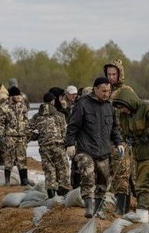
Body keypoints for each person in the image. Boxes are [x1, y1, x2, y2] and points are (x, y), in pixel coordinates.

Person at [65, 77, 124, 218]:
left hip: (103, 151)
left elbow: (114, 128)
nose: (106, 94)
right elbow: (73, 126)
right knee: (88, 175)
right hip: (85, 150)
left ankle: (98, 209)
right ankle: (89, 206)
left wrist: (119, 143)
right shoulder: (82, 104)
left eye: (108, 91)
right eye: (103, 91)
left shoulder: (109, 106)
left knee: (104, 181)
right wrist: (70, 144)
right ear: (95, 89)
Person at [112, 89, 149, 223]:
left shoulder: (148, 108)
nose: (122, 110)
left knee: (144, 185)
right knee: (140, 186)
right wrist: (128, 138)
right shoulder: (123, 116)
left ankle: (142, 217)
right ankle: (148, 218)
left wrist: (148, 133)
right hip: (138, 157)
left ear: (129, 102)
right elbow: (122, 131)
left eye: (123, 107)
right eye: (120, 108)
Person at [103, 58, 137, 216]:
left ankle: (122, 209)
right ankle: (116, 205)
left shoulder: (126, 91)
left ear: (119, 74)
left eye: (113, 74)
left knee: (122, 172)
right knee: (108, 173)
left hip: (122, 138)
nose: (111, 77)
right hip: (105, 139)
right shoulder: (103, 90)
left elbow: (136, 112)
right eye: (108, 74)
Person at [29, 92, 71, 198]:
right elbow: (65, 131)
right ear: (53, 101)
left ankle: (51, 195)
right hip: (58, 146)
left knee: (49, 170)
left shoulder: (36, 116)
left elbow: (26, 129)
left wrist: (36, 136)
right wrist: (66, 143)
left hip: (44, 147)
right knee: (63, 169)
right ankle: (63, 194)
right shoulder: (59, 115)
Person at [0, 85, 30, 186]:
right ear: (11, 96)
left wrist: (27, 132)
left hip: (21, 136)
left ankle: (24, 181)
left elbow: (25, 119)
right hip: (10, 136)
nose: (19, 97)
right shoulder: (4, 107)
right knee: (9, 158)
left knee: (22, 158)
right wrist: (1, 136)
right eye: (17, 95)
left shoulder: (21, 106)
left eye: (19, 95)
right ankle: (7, 181)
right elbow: (1, 123)